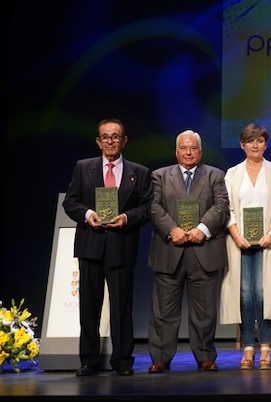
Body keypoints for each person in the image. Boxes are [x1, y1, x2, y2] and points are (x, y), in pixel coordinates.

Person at [62, 119, 152, 376]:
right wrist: (88, 213)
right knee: (89, 307)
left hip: (121, 246)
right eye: (105, 136)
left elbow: (146, 209)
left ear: (124, 140)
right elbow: (70, 202)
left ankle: (122, 361)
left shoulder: (140, 172)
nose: (110, 141)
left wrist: (126, 218)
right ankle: (90, 361)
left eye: (115, 136)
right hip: (90, 245)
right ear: (98, 141)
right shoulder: (83, 167)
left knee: (122, 307)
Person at [147, 130, 229, 373]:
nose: (188, 152)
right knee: (163, 310)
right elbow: (153, 206)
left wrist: (203, 228)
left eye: (193, 148)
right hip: (169, 249)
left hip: (203, 250)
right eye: (184, 148)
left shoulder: (215, 175)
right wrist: (172, 229)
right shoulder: (159, 176)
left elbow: (221, 206)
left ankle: (205, 356)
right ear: (176, 151)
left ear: (200, 151)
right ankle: (160, 358)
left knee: (204, 312)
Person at [219, 124, 271, 370]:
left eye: (259, 140)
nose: (255, 145)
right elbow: (225, 207)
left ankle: (266, 348)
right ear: (242, 145)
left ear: (265, 144)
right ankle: (248, 347)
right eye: (250, 141)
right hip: (239, 241)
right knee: (245, 294)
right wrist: (236, 235)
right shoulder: (232, 173)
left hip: (268, 242)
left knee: (263, 293)